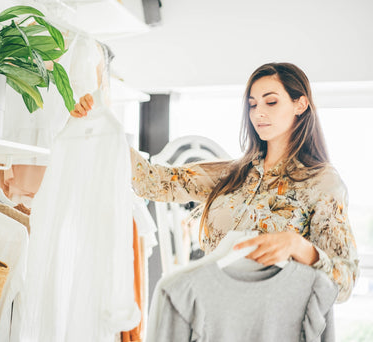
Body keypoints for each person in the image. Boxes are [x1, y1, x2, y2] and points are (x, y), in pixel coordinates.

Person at [70, 62, 359, 303]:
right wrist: (101, 123)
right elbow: (154, 182)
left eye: (271, 101)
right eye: (253, 104)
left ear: (301, 104)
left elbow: (344, 282)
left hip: (272, 322)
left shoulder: (322, 182)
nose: (259, 112)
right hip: (210, 309)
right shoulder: (232, 173)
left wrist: (299, 246)